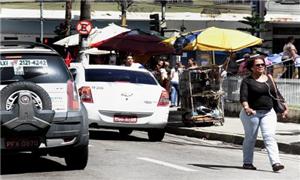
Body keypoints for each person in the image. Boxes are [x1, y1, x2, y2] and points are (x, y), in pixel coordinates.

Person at [239, 56, 288, 172]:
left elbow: (276, 93)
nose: (261, 66)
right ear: (251, 67)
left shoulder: (269, 78)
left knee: (269, 137)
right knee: (251, 138)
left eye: (263, 64)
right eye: (258, 65)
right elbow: (243, 97)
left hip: (268, 112)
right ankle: (247, 162)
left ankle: (276, 163)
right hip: (252, 113)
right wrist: (246, 107)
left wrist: (284, 106)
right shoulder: (247, 81)